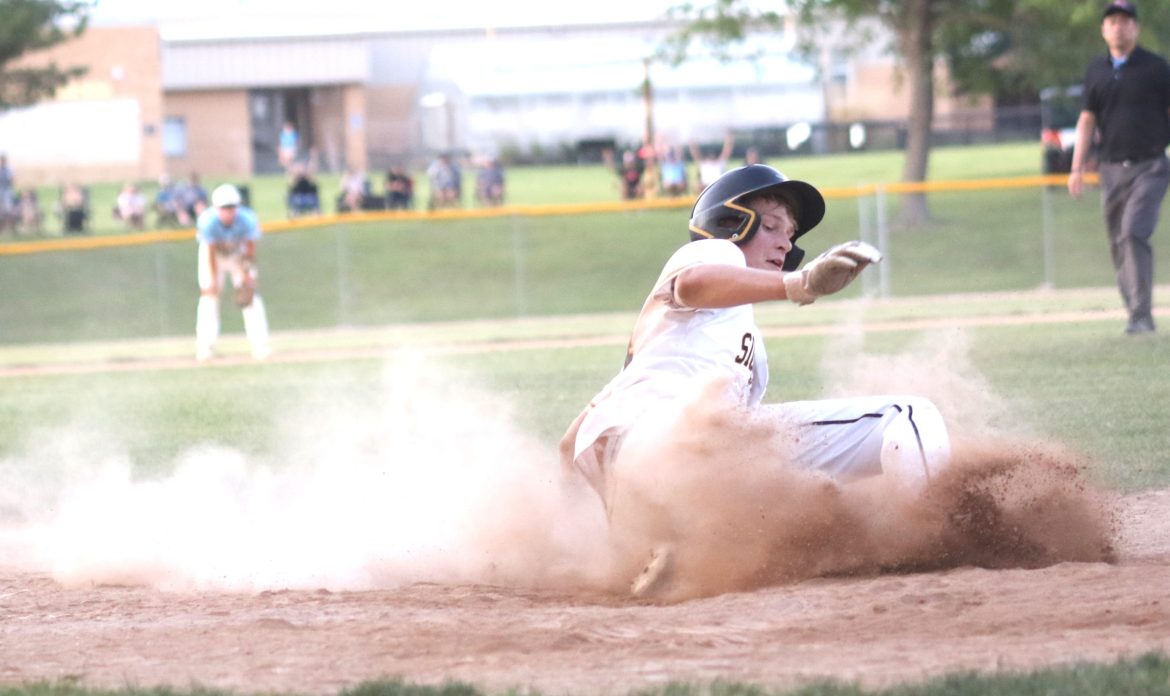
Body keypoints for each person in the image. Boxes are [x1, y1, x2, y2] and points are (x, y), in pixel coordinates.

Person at [558, 164, 951, 597]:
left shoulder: (682, 351)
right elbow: (694, 283)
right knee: (907, 415)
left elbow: (570, 444)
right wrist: (797, 284)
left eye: (792, 232)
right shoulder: (711, 252)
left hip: (664, 482)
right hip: (672, 453)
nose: (786, 240)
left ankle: (685, 547)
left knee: (792, 493)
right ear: (730, 223)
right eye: (772, 226)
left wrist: (587, 545)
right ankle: (937, 538)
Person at [1068, 0, 1170, 335]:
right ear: (1103, 29)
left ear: (1136, 28)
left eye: (1125, 21)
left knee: (1133, 232)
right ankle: (1134, 311)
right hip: (1111, 169)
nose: (1118, 26)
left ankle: (1141, 316)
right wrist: (1076, 167)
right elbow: (1086, 120)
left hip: (1151, 165)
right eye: (1112, 21)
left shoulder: (1156, 68)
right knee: (1117, 242)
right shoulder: (1096, 70)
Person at [195, 184, 270, 362]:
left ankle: (260, 346)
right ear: (216, 208)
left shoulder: (247, 219)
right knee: (209, 297)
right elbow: (211, 252)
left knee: (250, 296)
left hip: (238, 255)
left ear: (237, 207)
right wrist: (213, 280)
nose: (228, 211)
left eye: (231, 207)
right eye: (224, 208)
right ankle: (205, 348)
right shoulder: (207, 221)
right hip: (214, 256)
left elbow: (250, 248)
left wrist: (246, 275)